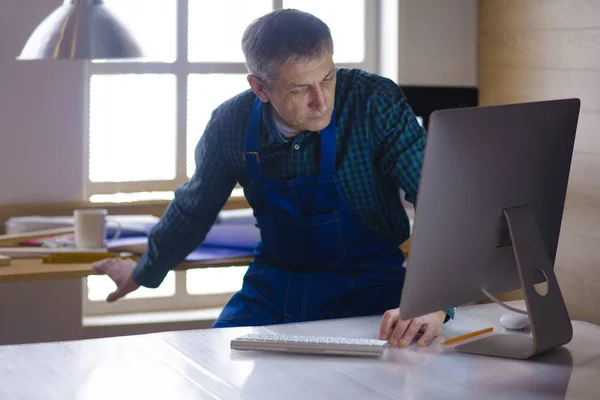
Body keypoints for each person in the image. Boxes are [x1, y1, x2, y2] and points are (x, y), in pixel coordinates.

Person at [94, 8, 455, 348]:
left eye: (328, 78)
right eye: (299, 89)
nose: (321, 101)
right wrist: (141, 272)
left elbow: (438, 199)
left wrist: (435, 301)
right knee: (211, 364)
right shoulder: (230, 125)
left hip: (373, 286)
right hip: (275, 286)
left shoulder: (374, 102)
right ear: (260, 88)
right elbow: (193, 210)